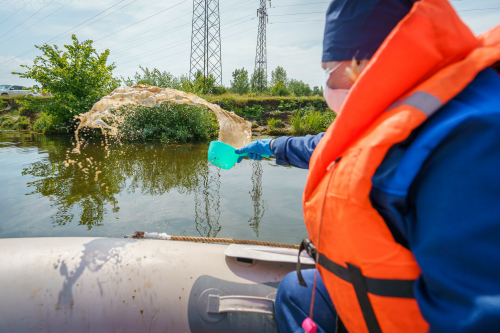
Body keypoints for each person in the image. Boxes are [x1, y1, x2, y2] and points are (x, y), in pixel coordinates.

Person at [235, 0, 500, 331]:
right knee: (294, 291)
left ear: (365, 61)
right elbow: (326, 147)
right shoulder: (404, 108)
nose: (327, 81)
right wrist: (271, 146)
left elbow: (479, 313)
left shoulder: (472, 137)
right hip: (377, 306)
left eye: (330, 67)